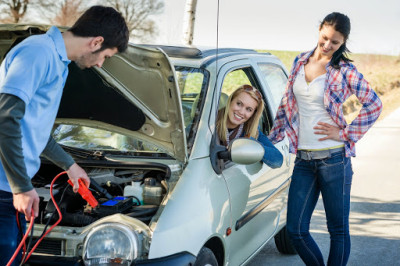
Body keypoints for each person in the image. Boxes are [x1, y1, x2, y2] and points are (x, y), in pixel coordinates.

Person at [0, 5, 129, 265]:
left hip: (9, 190)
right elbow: (4, 118)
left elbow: (35, 131)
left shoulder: (60, 65)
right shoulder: (38, 53)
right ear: (96, 42)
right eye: (106, 56)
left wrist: (70, 165)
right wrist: (22, 188)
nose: (100, 64)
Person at [268, 12, 382, 266]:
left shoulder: (344, 70)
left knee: (338, 231)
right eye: (325, 38)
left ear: (343, 43)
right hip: (304, 160)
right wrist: (269, 138)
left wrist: (344, 133)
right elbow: (286, 105)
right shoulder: (299, 62)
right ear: (319, 30)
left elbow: (374, 104)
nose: (328, 45)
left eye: (336, 42)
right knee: (296, 230)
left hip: (334, 160)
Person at [216, 84, 283, 168]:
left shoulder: (250, 131)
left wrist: (249, 143)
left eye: (249, 109)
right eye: (239, 104)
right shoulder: (210, 121)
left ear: (253, 114)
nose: (241, 112)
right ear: (230, 101)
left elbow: (278, 161)